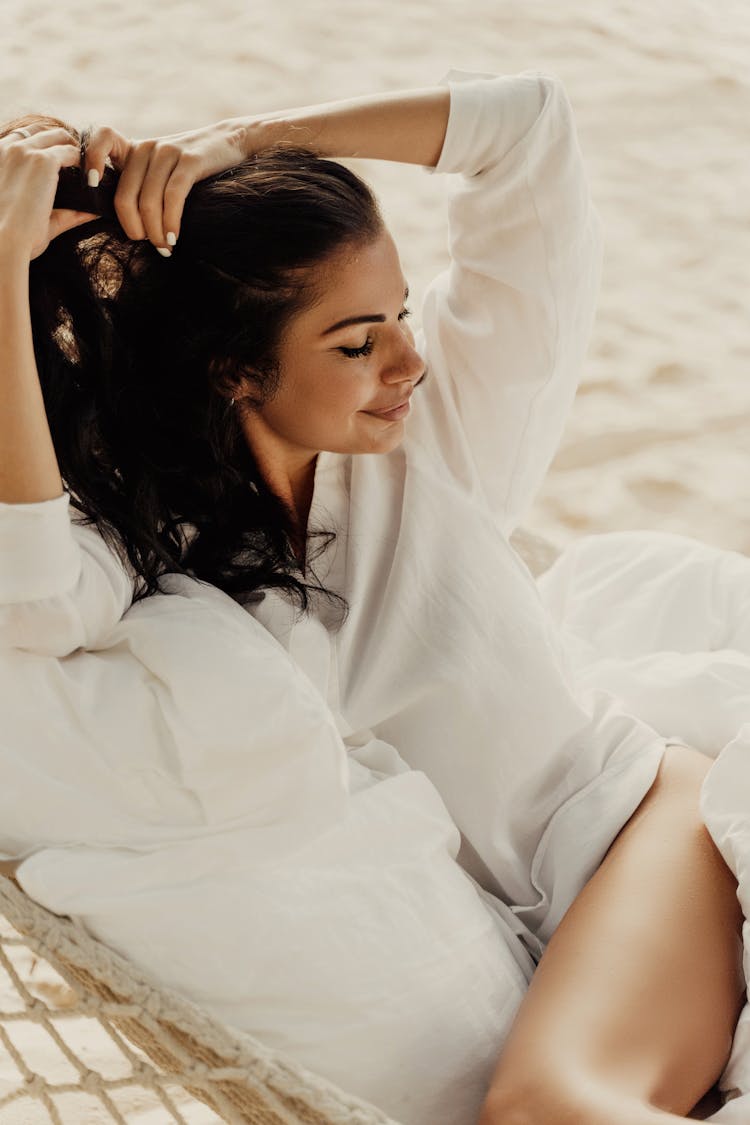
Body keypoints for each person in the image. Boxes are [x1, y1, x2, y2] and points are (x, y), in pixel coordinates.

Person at [0, 69, 745, 1125]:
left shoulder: (437, 450)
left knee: (548, 1111)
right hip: (567, 953)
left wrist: (244, 140)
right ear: (232, 372)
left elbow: (529, 133)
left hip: (644, 831)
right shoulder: (155, 557)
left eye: (397, 314)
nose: (409, 359)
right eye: (356, 344)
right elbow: (27, 601)